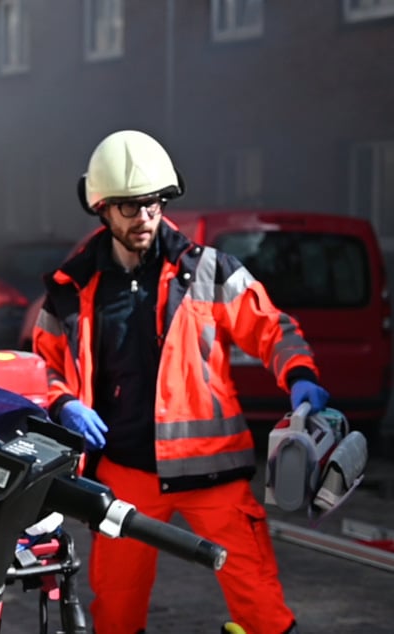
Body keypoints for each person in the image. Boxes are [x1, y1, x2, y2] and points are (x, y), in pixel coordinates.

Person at [32, 130, 328, 634]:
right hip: (125, 475)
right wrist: (63, 404)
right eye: (130, 207)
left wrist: (299, 374)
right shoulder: (72, 287)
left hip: (214, 473)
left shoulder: (210, 272)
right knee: (116, 614)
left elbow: (273, 330)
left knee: (261, 607)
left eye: (153, 204)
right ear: (102, 208)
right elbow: (45, 367)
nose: (145, 217)